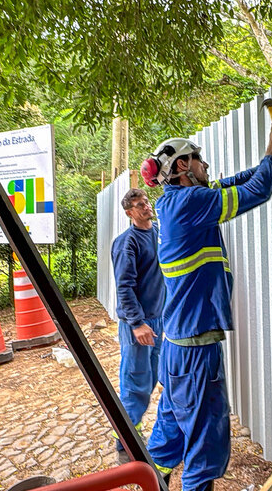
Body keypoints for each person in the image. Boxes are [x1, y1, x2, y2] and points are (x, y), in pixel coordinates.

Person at [139, 122, 272, 491]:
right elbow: (255, 191)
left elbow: (238, 181)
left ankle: (153, 479)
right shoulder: (191, 203)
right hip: (196, 350)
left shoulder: (179, 202)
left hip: (177, 347)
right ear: (181, 167)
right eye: (199, 159)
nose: (205, 165)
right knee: (205, 442)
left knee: (172, 429)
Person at [110, 188, 165, 464]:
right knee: (135, 382)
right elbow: (125, 287)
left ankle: (132, 430)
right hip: (139, 324)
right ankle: (126, 441)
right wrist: (137, 323)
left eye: (146, 202)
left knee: (152, 376)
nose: (145, 207)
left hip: (158, 318)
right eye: (138, 205)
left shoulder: (158, 233)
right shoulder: (127, 242)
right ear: (129, 213)